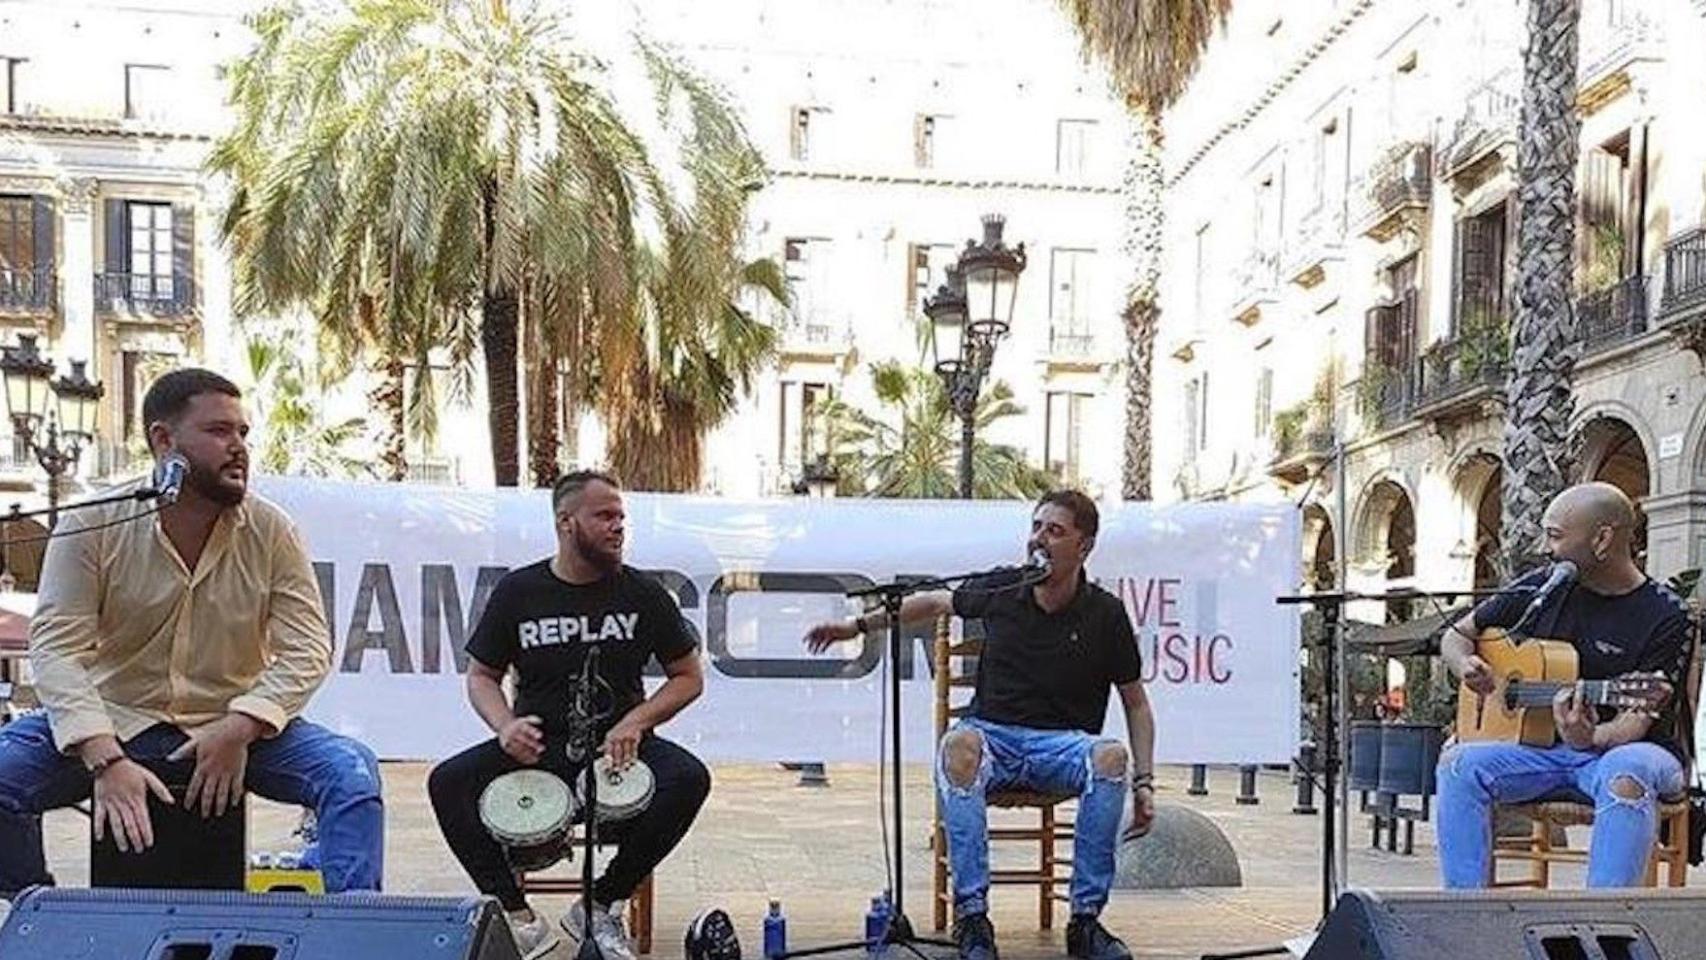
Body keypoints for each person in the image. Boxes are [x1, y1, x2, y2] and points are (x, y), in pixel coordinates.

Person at [0, 368, 384, 898]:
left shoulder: (272, 530)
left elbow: (308, 649)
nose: (239, 448)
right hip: (112, 719)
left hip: (230, 721)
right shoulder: (95, 521)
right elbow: (56, 649)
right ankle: (42, 921)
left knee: (351, 774)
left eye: (243, 433)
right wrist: (105, 757)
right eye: (220, 431)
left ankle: (357, 931)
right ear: (164, 441)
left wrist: (241, 726)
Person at [804, 490, 1155, 960]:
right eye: (1036, 527)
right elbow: (931, 602)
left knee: (1110, 757)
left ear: (1084, 547)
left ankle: (1085, 922)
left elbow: (1136, 704)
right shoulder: (1003, 588)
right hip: (995, 740)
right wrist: (857, 627)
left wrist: (1145, 782)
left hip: (1063, 749)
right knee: (959, 746)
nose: (1040, 538)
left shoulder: (1106, 613)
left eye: (1055, 530)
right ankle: (972, 920)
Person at [428, 469, 709, 960]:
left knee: (690, 777)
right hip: (537, 751)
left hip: (619, 754)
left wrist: (637, 721)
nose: (617, 526)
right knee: (446, 782)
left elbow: (689, 676)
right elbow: (481, 677)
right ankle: (518, 918)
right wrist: (505, 727)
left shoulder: (642, 594)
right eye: (603, 516)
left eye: (621, 516)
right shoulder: (520, 592)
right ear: (566, 523)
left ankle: (600, 903)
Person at [1437, 482, 1692, 888]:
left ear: (1602, 538)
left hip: (1631, 752)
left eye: (1555, 535)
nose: (1545, 546)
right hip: (1540, 752)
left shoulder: (1666, 616)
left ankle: (1607, 929)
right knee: (1459, 765)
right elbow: (1456, 634)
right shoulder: (1544, 586)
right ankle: (1465, 915)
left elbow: (1631, 727)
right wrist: (1466, 664)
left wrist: (1586, 735)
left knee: (1625, 773)